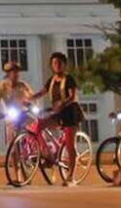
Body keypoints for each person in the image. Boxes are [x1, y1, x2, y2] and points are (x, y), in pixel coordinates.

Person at [29, 52, 85, 187]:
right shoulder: (51, 80)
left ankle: (71, 176)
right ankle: (46, 154)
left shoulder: (69, 79)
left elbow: (72, 96)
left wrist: (62, 103)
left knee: (70, 145)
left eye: (60, 63)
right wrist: (28, 99)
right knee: (39, 125)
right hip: (57, 112)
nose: (57, 65)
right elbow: (41, 93)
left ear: (64, 65)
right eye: (54, 63)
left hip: (70, 113)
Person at [0, 61, 34, 144]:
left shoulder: (23, 85)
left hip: (23, 113)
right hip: (11, 115)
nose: (16, 74)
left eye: (17, 72)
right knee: (12, 140)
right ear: (8, 74)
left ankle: (34, 148)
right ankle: (13, 153)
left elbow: (32, 97)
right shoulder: (3, 86)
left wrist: (29, 103)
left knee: (33, 126)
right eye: (13, 72)